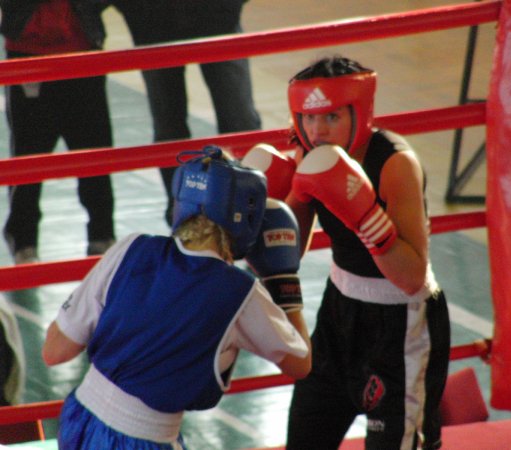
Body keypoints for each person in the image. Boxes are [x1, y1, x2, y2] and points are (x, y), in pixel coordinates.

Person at [41, 146, 311, 449]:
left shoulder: (132, 248)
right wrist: (282, 279)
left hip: (79, 421)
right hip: (145, 439)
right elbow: (301, 364)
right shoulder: (240, 293)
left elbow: (54, 351)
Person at [244, 56, 450, 450]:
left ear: (360, 113)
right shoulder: (309, 155)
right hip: (338, 313)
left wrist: (367, 218)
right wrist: (276, 209)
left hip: (402, 323)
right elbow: (290, 253)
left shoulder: (395, 164)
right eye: (308, 117)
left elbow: (411, 277)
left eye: (331, 117)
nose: (317, 129)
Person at [110, 0, 262, 225]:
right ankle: (180, 212)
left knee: (240, 122)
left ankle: (248, 206)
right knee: (169, 128)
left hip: (218, 19)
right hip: (153, 23)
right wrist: (136, 12)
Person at [0, 0, 117, 264]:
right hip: (29, 54)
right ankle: (24, 240)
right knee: (29, 156)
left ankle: (102, 235)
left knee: (95, 152)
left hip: (83, 53)